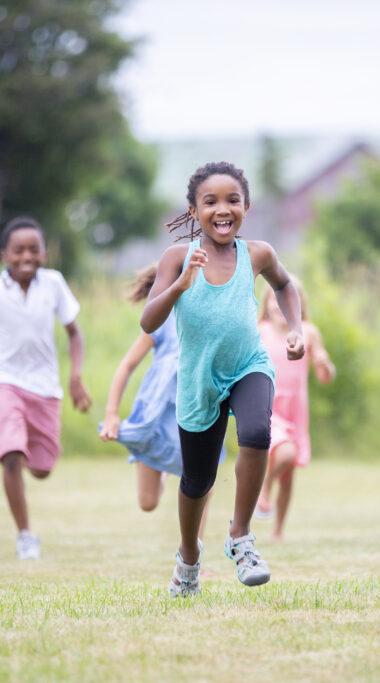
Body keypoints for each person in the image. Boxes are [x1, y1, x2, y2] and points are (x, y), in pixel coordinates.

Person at [140, 161, 305, 597]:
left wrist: (296, 328)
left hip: (249, 364)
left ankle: (241, 537)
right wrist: (179, 285)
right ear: (194, 211)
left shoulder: (259, 254)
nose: (222, 209)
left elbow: (286, 287)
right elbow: (147, 321)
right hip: (198, 380)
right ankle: (189, 561)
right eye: (210, 201)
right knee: (197, 481)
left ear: (246, 206)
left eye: (232, 200)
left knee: (255, 433)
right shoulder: (177, 257)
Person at [0, 216, 92, 560]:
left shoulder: (52, 283)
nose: (27, 256)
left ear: (44, 253)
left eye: (34, 250)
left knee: (41, 469)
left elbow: (74, 332)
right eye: (18, 250)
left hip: (46, 387)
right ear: (4, 254)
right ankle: (25, 536)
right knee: (12, 459)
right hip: (3, 381)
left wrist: (76, 375)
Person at [99, 264, 222, 536]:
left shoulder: (210, 320)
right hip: (156, 413)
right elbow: (126, 366)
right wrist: (111, 414)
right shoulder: (160, 322)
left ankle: (194, 558)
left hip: (196, 409)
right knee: (147, 503)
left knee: (205, 482)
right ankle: (162, 468)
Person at [254, 278, 335, 541]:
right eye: (274, 299)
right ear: (265, 304)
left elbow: (325, 376)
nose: (280, 305)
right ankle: (264, 487)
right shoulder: (259, 330)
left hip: (295, 412)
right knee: (285, 454)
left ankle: (278, 531)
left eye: (288, 300)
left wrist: (324, 364)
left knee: (288, 477)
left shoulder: (308, 333)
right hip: (267, 407)